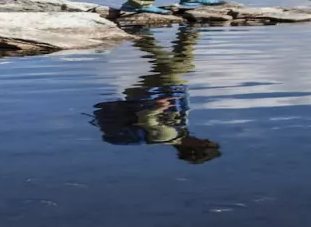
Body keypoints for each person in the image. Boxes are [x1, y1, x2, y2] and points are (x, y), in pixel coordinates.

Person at [89, 30, 220, 164]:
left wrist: (159, 107)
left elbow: (145, 118)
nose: (208, 140)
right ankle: (187, 31)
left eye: (207, 144)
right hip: (159, 91)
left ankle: (141, 34)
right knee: (182, 66)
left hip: (148, 93)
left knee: (174, 68)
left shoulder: (166, 136)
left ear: (194, 147)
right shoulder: (180, 132)